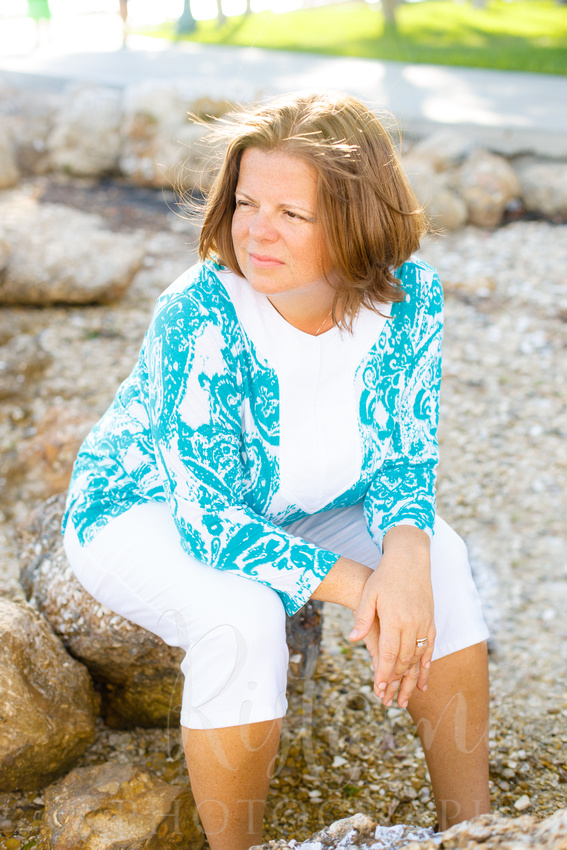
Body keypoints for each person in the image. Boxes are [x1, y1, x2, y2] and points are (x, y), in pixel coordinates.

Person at [62, 91, 490, 850]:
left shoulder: (412, 296)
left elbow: (403, 454)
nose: (256, 230)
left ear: (357, 220)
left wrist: (409, 562)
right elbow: (210, 522)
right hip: (148, 507)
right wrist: (367, 588)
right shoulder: (199, 311)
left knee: (443, 564)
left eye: (291, 214)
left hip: (310, 499)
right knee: (243, 619)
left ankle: (476, 830)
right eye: (247, 202)